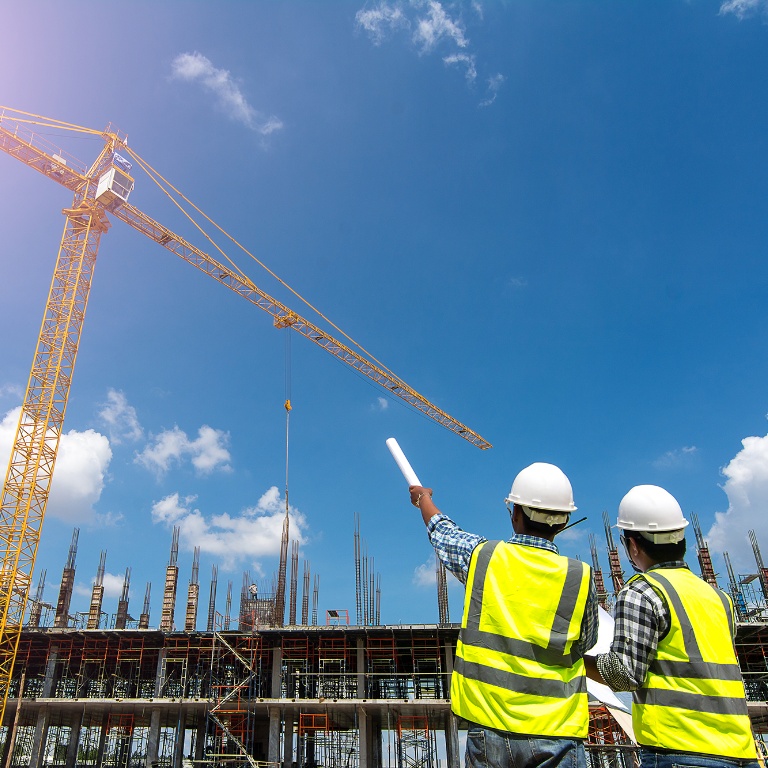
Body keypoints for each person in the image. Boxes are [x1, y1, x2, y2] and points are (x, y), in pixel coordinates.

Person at [409, 462, 598, 768]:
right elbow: (586, 643)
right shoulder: (580, 577)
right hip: (558, 731)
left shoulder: (483, 557)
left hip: (489, 728)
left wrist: (424, 499)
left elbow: (443, 534)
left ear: (515, 514)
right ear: (563, 522)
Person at [584, 485, 759, 767]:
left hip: (680, 748)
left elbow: (623, 675)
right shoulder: (718, 597)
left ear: (633, 545)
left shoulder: (642, 592)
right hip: (742, 750)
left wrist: (573, 660)